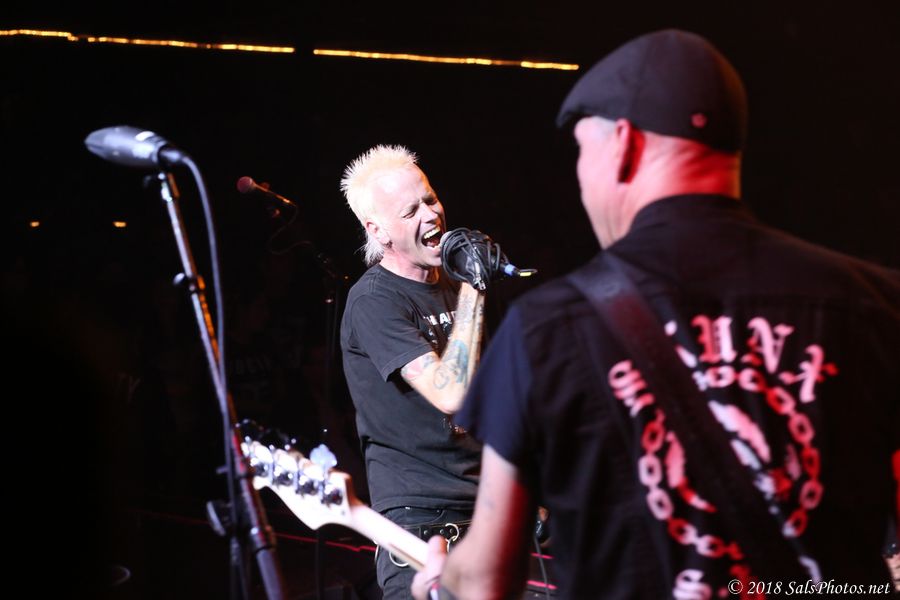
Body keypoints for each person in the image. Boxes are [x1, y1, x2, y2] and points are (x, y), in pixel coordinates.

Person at [412, 29, 900, 599]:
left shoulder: (545, 330)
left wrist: (442, 581)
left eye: (582, 153)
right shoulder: (873, 302)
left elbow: (487, 579)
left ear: (624, 144)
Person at [339, 145, 487, 598]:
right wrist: (475, 289)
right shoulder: (374, 301)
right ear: (378, 230)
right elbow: (451, 393)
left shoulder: (457, 283)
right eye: (411, 211)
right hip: (422, 520)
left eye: (430, 199)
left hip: (487, 506)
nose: (431, 214)